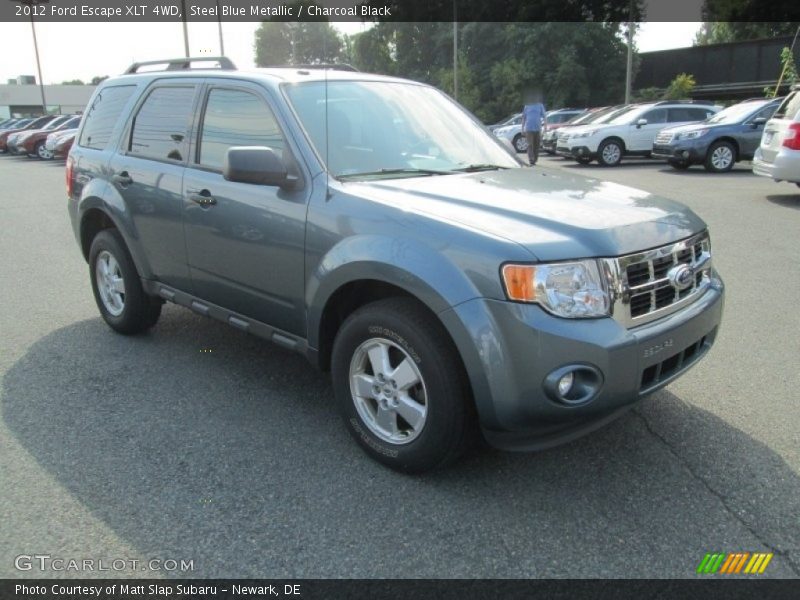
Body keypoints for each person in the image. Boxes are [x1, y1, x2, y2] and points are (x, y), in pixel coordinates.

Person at [521, 96, 546, 166]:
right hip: (529, 129)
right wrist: (522, 128)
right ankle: (531, 160)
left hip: (537, 128)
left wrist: (545, 127)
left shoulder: (540, 105)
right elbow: (524, 117)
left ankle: (535, 159)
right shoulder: (527, 106)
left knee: (536, 145)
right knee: (530, 145)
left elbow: (544, 116)